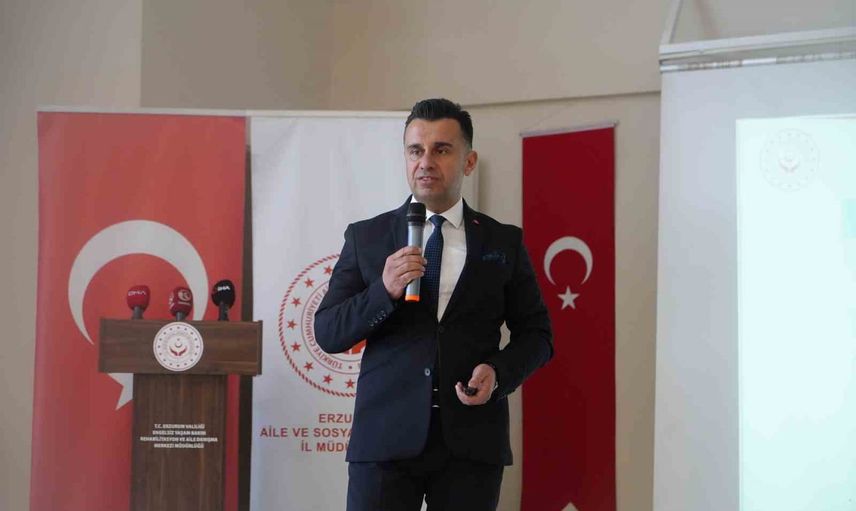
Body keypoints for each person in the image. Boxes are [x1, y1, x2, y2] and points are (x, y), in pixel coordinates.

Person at [314, 98, 553, 511]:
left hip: (472, 444)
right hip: (385, 441)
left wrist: (499, 373)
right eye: (415, 150)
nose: (425, 162)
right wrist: (383, 290)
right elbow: (328, 331)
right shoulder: (367, 237)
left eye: (441, 149)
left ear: (468, 161)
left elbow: (538, 335)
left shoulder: (503, 242)